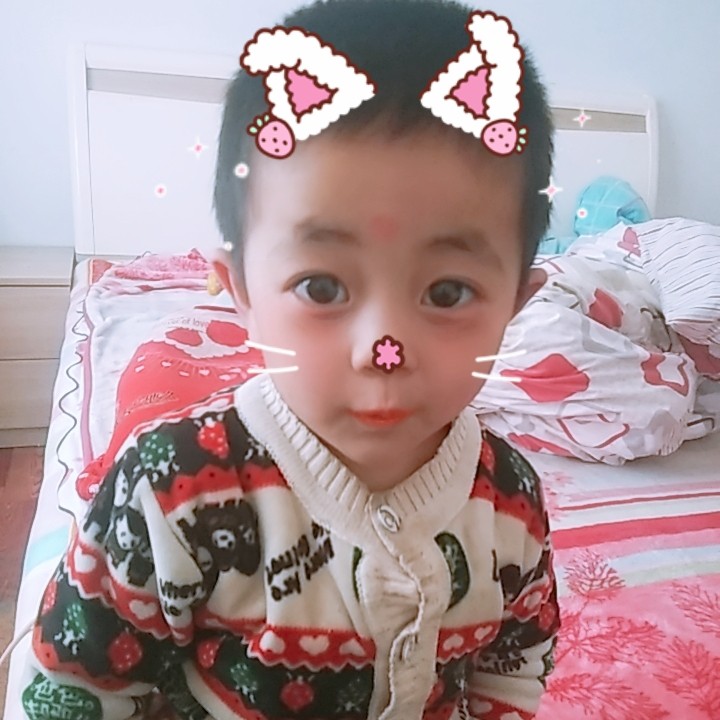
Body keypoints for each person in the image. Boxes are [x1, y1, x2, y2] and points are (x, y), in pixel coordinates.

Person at [19, 0, 559, 718]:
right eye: (322, 287)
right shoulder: (170, 488)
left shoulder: (511, 500)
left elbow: (512, 671)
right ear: (240, 289)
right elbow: (78, 689)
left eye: (448, 292)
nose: (383, 350)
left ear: (517, 302)